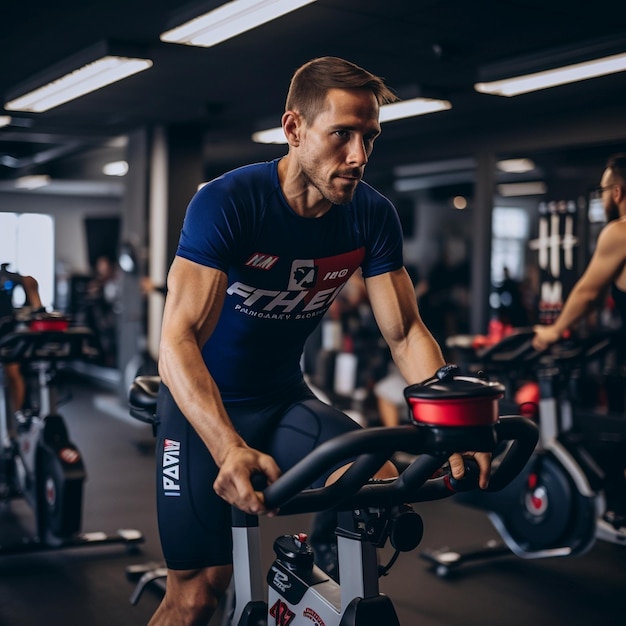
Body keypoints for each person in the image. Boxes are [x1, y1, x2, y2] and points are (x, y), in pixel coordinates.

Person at [151, 56, 491, 626]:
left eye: (369, 137)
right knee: (196, 597)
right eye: (342, 135)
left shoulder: (371, 217)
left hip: (283, 400)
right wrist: (226, 446)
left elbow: (406, 333)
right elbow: (177, 341)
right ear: (294, 129)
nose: (359, 156)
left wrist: (453, 425)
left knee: (378, 486)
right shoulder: (229, 203)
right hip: (201, 412)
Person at [532, 152, 626, 526]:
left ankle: (617, 511)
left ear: (617, 192)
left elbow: (587, 292)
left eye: (603, 190)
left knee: (614, 440)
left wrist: (554, 331)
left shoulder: (619, 232)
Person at [0, 264, 43, 421]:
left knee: (14, 372)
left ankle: (19, 417)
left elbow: (29, 284)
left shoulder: (11, 279)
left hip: (8, 332)